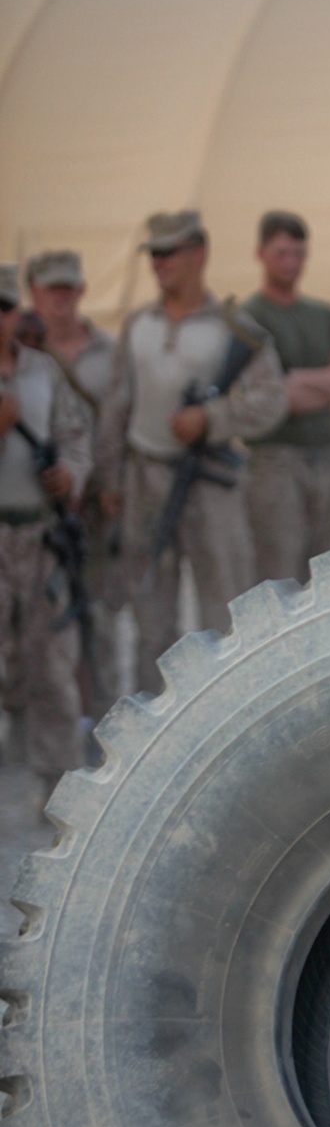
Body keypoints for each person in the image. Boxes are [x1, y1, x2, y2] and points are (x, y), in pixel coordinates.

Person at [96, 210, 286, 695]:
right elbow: (118, 404)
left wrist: (213, 419)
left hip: (209, 480)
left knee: (224, 606)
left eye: (168, 252)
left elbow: (270, 400)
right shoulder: (138, 323)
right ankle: (148, 714)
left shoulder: (233, 329)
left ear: (197, 253)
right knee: (149, 612)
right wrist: (110, 481)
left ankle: (225, 708)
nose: (158, 262)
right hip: (145, 478)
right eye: (153, 253)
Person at [0, 263, 92, 803]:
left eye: (5, 308)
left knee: (53, 663)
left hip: (39, 538)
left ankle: (57, 790)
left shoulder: (42, 372)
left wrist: (71, 474)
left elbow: (75, 436)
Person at [243, 211, 330, 582]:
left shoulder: (325, 316)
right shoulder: (250, 319)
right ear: (260, 254)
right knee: (280, 571)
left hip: (329, 453)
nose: (291, 263)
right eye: (281, 253)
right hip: (274, 459)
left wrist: (301, 379)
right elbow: (278, 399)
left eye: (298, 253)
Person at [26, 249, 121, 729]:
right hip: (35, 508)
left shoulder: (109, 351)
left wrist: (110, 485)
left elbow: (119, 424)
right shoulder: (20, 356)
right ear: (33, 293)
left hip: (94, 506)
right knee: (39, 619)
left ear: (82, 290)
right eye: (51, 288)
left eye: (69, 287)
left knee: (97, 613)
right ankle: (44, 720)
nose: (61, 297)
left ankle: (103, 717)